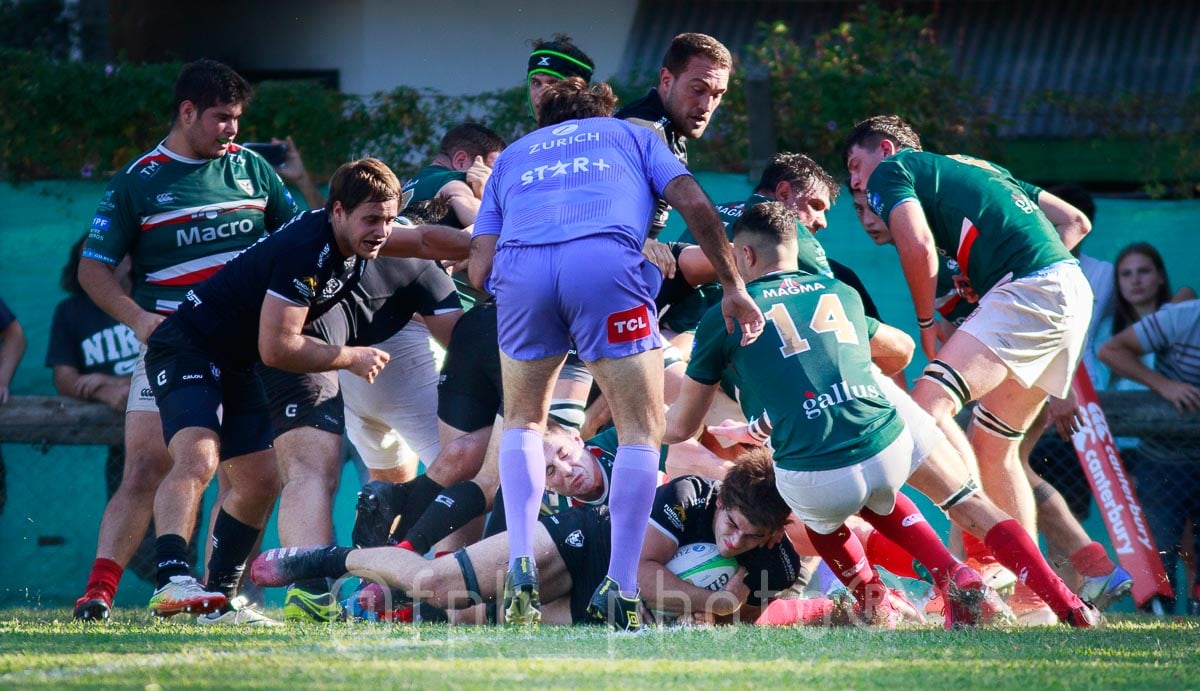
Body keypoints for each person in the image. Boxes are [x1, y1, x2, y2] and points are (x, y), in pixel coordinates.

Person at [467, 77, 764, 630]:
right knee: (639, 430)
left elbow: (479, 269)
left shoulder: (511, 157)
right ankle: (622, 586)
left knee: (525, 424)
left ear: (545, 122)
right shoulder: (635, 133)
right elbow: (695, 202)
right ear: (603, 109)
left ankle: (521, 566)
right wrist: (732, 284)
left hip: (522, 273)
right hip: (604, 265)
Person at [139, 157, 468, 622]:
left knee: (260, 482)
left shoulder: (362, 234)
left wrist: (494, 242)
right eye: (371, 220)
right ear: (336, 211)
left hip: (239, 361)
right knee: (199, 457)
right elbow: (278, 348)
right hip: (190, 347)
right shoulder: (307, 249)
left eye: (389, 219)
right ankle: (172, 580)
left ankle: (215, 600)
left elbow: (426, 239)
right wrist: (352, 357)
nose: (381, 230)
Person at [73, 59, 301, 622]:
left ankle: (215, 592)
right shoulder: (139, 179)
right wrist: (140, 321)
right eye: (222, 118)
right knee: (152, 465)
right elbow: (93, 270)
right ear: (187, 111)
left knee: (254, 478)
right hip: (174, 344)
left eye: (238, 119)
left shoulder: (251, 169)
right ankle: (103, 590)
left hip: (241, 350)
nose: (233, 130)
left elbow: (298, 239)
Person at [851, 189, 1132, 614]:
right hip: (1011, 364)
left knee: (975, 454)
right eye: (858, 210)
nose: (868, 218)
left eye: (874, 205)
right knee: (1000, 462)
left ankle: (994, 569)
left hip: (1033, 363)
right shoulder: (935, 254)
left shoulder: (964, 233)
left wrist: (1065, 383)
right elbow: (962, 331)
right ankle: (1081, 568)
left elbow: (1039, 296)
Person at [844, 114, 1094, 548]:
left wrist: (925, 325)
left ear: (885, 149)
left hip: (1029, 289)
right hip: (1070, 289)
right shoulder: (976, 166)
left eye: (853, 166)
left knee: (925, 409)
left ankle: (980, 563)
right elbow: (1073, 223)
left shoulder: (890, 172)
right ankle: (1031, 596)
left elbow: (919, 246)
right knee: (993, 449)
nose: (858, 182)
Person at [250, 450, 800, 626]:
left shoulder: (776, 555)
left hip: (602, 609)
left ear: (774, 531)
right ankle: (330, 557)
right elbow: (642, 573)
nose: (733, 543)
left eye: (751, 538)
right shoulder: (689, 495)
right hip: (580, 545)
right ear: (723, 501)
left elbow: (753, 620)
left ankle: (375, 606)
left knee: (469, 620)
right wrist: (714, 601)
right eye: (730, 526)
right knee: (438, 581)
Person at [1099, 264, 1198, 615]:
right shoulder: (1183, 317)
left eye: (1144, 272)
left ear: (1159, 276)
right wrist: (1165, 384)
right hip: (1159, 458)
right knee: (1159, 552)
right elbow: (1109, 351)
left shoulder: (1180, 307)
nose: (1136, 281)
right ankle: (1158, 616)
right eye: (1127, 274)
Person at [617, 32, 732, 280]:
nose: (706, 105)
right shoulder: (639, 129)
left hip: (635, 255)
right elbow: (588, 202)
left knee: (742, 256)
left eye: (717, 94)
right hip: (612, 259)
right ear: (667, 80)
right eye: (698, 89)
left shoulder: (671, 127)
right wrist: (636, 240)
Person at [526, 33, 596, 119]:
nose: (540, 96)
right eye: (536, 83)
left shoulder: (601, 130)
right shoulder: (529, 131)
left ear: (578, 90)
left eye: (553, 84)